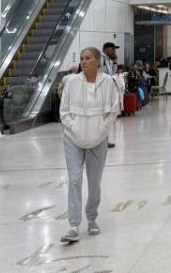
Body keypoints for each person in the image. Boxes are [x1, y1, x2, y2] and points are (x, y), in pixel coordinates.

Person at [58, 47, 121, 243]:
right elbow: (64, 111)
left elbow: (114, 109)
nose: (84, 62)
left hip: (98, 140)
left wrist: (103, 128)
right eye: (82, 59)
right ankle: (73, 225)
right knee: (74, 180)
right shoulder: (72, 82)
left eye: (88, 58)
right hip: (73, 139)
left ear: (97, 61)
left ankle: (92, 219)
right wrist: (74, 127)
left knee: (94, 182)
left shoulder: (108, 83)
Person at [100, 42, 120, 147]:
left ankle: (104, 140)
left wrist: (115, 63)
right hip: (101, 92)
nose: (114, 51)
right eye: (112, 49)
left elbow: (111, 73)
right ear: (105, 49)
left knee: (105, 117)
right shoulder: (100, 59)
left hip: (106, 91)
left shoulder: (108, 60)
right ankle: (101, 141)